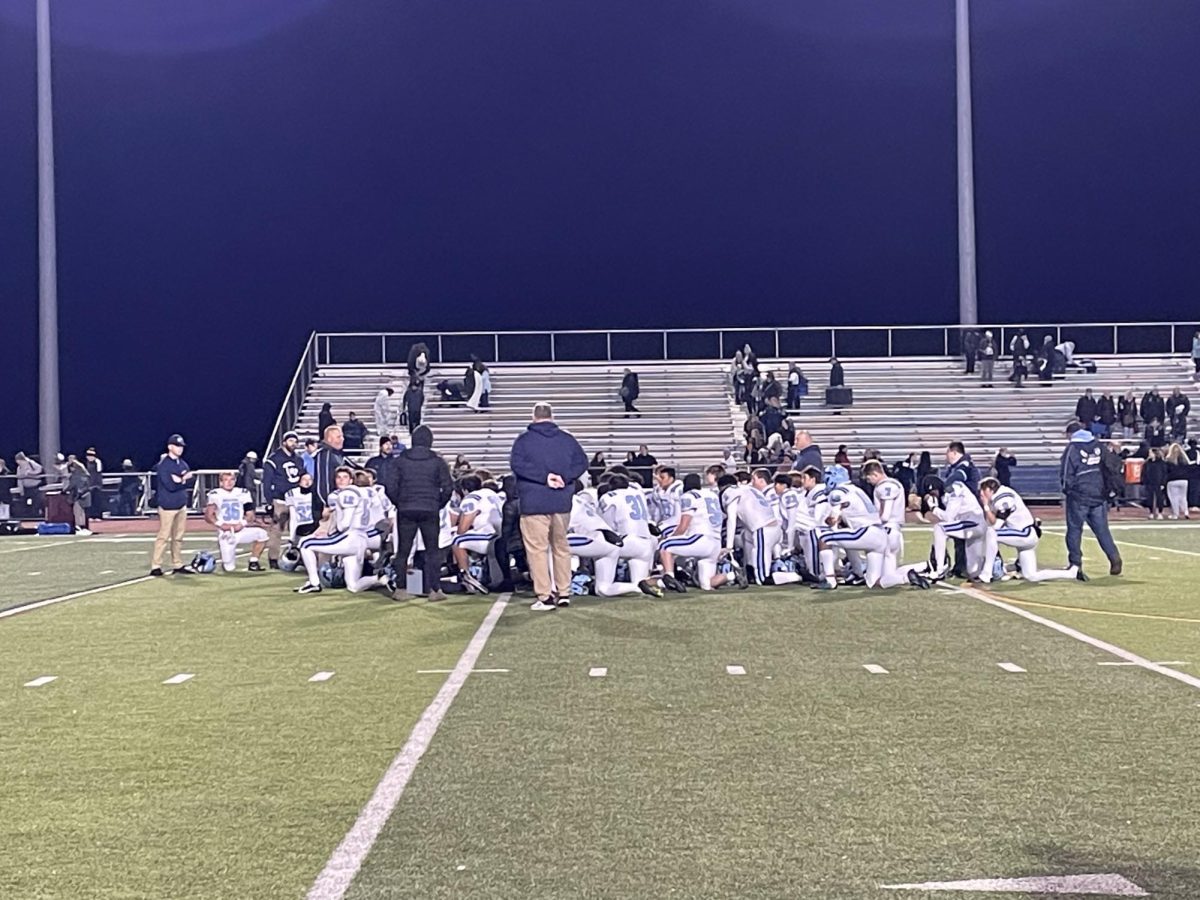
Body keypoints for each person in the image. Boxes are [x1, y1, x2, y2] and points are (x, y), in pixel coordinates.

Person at [510, 402, 588, 610]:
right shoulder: (567, 440)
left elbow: (517, 466)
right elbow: (582, 463)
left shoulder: (523, 441)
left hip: (534, 502)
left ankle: (545, 595)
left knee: (537, 550)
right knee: (561, 547)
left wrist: (545, 478)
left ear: (533, 416)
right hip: (561, 501)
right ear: (552, 416)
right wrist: (564, 477)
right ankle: (564, 592)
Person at [295, 467, 392, 596]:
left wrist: (331, 532)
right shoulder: (370, 492)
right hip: (366, 537)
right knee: (353, 586)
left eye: (345, 477)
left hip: (352, 537)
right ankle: (380, 578)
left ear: (352, 480)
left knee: (305, 543)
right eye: (338, 477)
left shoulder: (346, 494)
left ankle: (314, 583)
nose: (341, 480)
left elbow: (344, 525)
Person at [383, 425, 454, 602]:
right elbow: (448, 487)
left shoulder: (400, 461)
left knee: (403, 550)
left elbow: (390, 486)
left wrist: (399, 503)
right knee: (433, 551)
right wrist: (437, 504)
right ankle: (435, 589)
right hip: (430, 509)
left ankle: (400, 588)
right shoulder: (438, 462)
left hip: (406, 508)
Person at [978, 478, 1081, 582]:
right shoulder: (998, 497)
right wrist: (986, 506)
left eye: (982, 490)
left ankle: (986, 574)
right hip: (1025, 535)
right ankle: (1071, 573)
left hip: (1025, 533)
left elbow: (996, 526)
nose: (981, 493)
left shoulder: (1003, 497)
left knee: (992, 533)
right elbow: (991, 522)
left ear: (989, 489)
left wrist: (986, 506)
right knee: (1031, 576)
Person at [1061, 423, 1122, 577]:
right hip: (1099, 494)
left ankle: (1075, 564)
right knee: (1102, 531)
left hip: (1079, 496)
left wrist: (1068, 490)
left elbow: (1066, 473)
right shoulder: (1098, 445)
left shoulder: (1072, 449)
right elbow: (1109, 467)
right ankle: (1114, 558)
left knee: (1075, 530)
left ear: (1071, 434)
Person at [150, 434, 197, 576]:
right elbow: (170, 486)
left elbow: (191, 481)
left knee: (178, 537)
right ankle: (155, 566)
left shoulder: (182, 463)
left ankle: (177, 563)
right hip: (167, 506)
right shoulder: (163, 465)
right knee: (163, 536)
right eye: (177, 446)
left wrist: (181, 480)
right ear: (170, 447)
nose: (180, 449)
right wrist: (184, 480)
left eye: (181, 446)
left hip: (181, 504)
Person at [205, 471, 268, 572]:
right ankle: (226, 563)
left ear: (235, 481)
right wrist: (221, 525)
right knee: (229, 568)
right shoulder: (215, 494)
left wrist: (242, 524)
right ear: (220, 482)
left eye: (232, 480)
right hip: (226, 533)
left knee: (262, 534)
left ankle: (253, 562)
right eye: (226, 480)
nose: (229, 482)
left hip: (240, 530)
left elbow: (250, 514)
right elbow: (208, 516)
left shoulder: (243, 493)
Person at [262, 430, 307, 568]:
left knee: (299, 529)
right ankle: (273, 559)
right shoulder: (273, 459)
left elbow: (303, 478)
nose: (293, 443)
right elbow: (267, 482)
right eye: (290, 440)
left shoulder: (298, 459)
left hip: (296, 500)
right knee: (277, 529)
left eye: (295, 441)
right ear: (283, 442)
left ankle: (297, 556)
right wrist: (269, 501)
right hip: (280, 499)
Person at [311, 425, 346, 506]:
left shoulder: (337, 454)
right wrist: (327, 504)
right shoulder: (324, 454)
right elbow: (323, 483)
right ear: (330, 439)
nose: (342, 439)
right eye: (339, 437)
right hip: (327, 506)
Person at [65, 459, 93, 535]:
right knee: (82, 513)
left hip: (78, 496)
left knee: (77, 512)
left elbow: (72, 485)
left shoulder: (75, 475)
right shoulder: (85, 475)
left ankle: (78, 527)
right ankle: (84, 527)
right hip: (85, 495)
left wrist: (64, 490)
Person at [1164, 443, 1191, 520]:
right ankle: (1186, 512)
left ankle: (1175, 514)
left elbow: (1166, 471)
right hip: (1184, 480)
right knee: (1183, 498)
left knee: (1174, 498)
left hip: (1172, 480)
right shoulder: (1185, 460)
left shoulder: (1168, 460)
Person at [85, 447, 105, 523]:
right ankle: (91, 516)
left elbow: (98, 472)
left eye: (91, 455)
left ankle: (98, 516)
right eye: (88, 455)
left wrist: (97, 484)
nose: (89, 456)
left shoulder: (97, 462)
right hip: (89, 486)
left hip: (97, 486)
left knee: (97, 502)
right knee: (90, 502)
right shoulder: (86, 463)